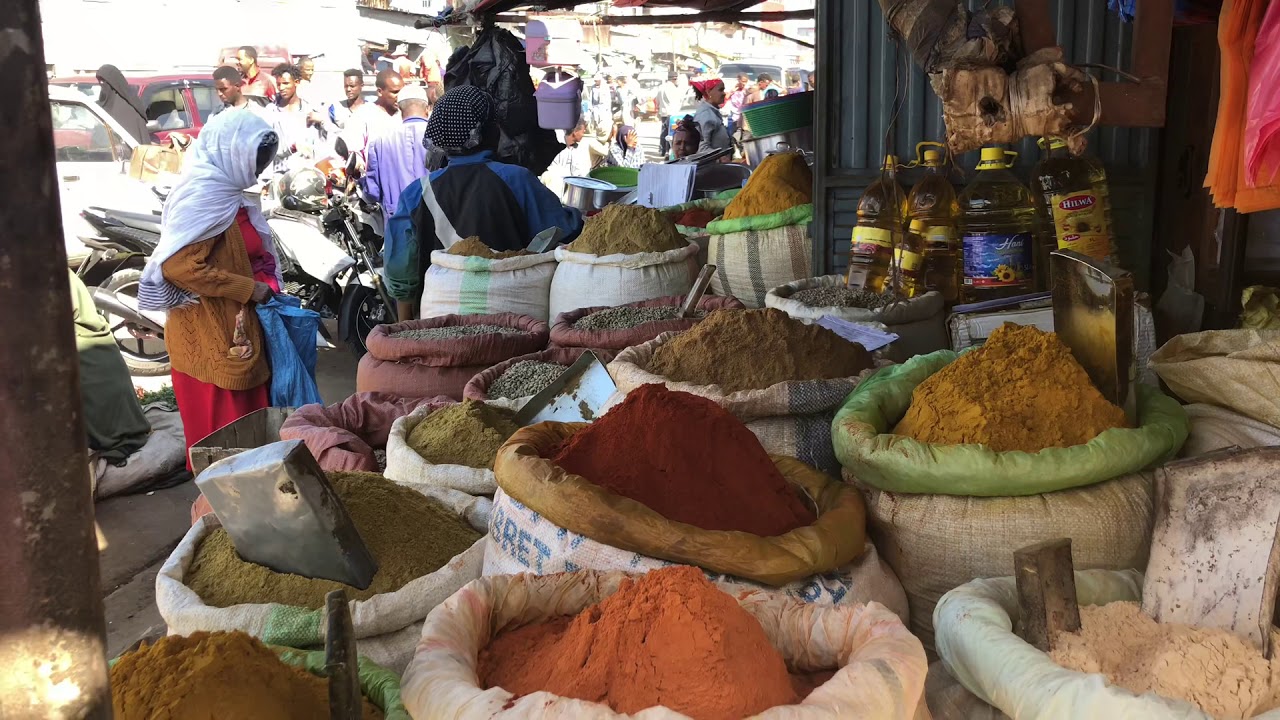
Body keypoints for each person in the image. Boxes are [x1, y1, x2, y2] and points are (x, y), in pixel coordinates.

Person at [137, 111, 281, 470]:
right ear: (230, 152)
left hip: (236, 330)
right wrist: (247, 288)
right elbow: (179, 267)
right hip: (210, 334)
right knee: (224, 448)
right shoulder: (204, 196)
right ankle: (219, 513)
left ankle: (244, 506)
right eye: (256, 160)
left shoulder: (228, 192)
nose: (259, 170)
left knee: (248, 443)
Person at [384, 86, 583, 321]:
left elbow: (401, 271)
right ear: (491, 131)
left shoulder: (416, 193)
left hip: (437, 325)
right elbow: (567, 231)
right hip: (514, 323)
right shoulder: (517, 180)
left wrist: (406, 327)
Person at [363, 84, 430, 214]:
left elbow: (373, 192)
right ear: (427, 108)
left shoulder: (380, 141)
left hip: (398, 221)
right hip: (436, 219)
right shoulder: (441, 136)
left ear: (399, 108)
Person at [272, 63, 318, 157]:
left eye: (285, 83)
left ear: (296, 82)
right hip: (279, 168)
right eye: (278, 84)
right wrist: (292, 147)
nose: (281, 88)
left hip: (304, 167)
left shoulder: (308, 110)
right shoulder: (271, 111)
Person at [95, 64, 148, 143]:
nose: (101, 84)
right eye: (99, 81)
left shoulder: (130, 111)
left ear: (112, 83)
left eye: (103, 81)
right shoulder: (102, 107)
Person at [691, 79, 731, 154]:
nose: (724, 93)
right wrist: (720, 158)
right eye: (720, 90)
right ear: (708, 92)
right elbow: (702, 148)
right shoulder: (705, 115)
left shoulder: (712, 112)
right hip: (711, 164)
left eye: (723, 90)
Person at [656, 73, 681, 156]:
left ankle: (662, 150)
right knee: (670, 132)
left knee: (663, 131)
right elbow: (677, 102)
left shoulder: (661, 87)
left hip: (663, 112)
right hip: (672, 113)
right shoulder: (674, 89)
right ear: (674, 79)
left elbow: (657, 100)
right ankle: (668, 151)